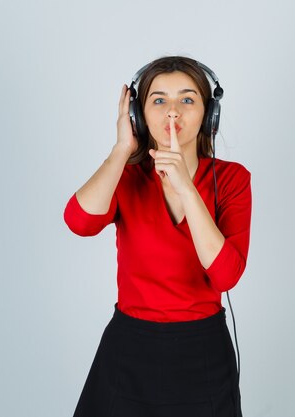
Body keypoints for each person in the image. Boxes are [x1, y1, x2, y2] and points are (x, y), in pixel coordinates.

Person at [64, 56, 251, 417]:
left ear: (209, 114)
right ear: (138, 113)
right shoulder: (126, 176)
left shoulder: (232, 180)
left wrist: (186, 189)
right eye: (159, 100)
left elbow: (226, 275)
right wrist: (122, 150)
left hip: (204, 355)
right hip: (128, 350)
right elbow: (79, 222)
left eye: (187, 99)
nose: (172, 113)